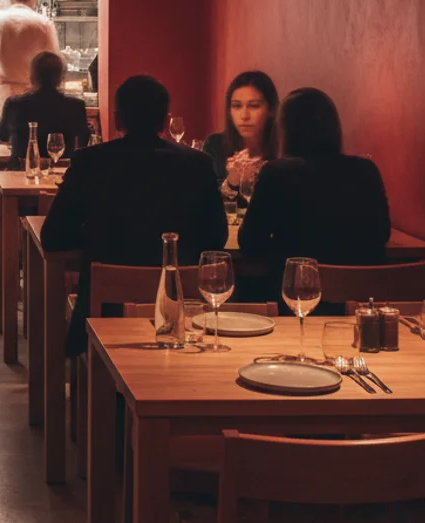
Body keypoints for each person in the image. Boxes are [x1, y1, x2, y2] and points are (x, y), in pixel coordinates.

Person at [41, 75, 228, 357]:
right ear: (165, 121)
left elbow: (52, 238)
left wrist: (97, 233)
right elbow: (217, 239)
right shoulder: (199, 164)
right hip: (180, 310)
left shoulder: (90, 162)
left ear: (117, 119)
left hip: (104, 313)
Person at [238, 87, 391, 266]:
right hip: (362, 290)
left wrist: (283, 250)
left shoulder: (277, 173)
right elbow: (381, 234)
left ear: (286, 130)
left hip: (293, 289)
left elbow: (250, 243)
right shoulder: (366, 170)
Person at [0, 0, 60, 120]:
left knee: (2, 139)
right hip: (35, 97)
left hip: (2, 96)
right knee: (32, 139)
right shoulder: (42, 23)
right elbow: (55, 63)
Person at [0, 51, 90, 167]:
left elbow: (1, 134)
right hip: (62, 174)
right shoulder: (76, 106)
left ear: (32, 76)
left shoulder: (14, 104)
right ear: (61, 77)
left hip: (22, 172)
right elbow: (84, 142)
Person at [203, 71, 280, 193]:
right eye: (237, 106)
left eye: (254, 106)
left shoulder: (283, 148)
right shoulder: (215, 144)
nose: (244, 116)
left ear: (271, 109)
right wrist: (232, 180)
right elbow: (206, 202)